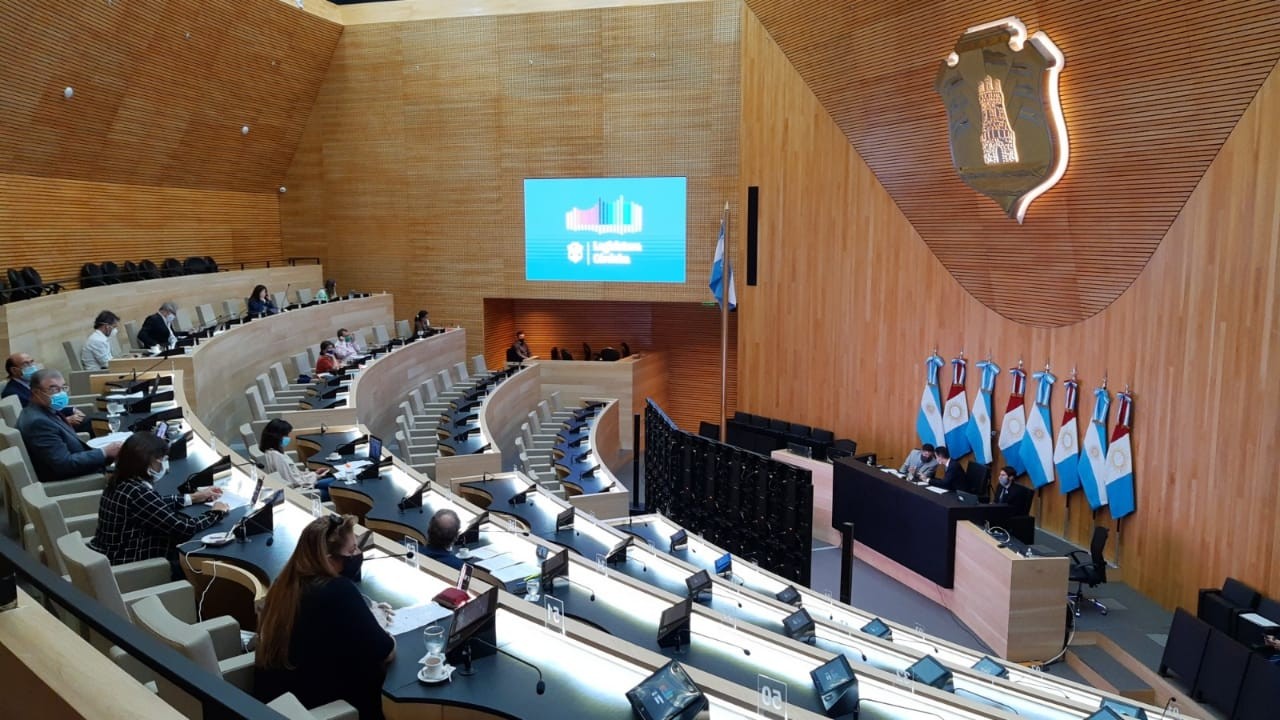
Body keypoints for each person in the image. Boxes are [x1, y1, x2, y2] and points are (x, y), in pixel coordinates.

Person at [255, 514, 395, 720]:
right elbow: (386, 652)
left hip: (277, 701)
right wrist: (377, 623)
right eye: (352, 551)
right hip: (323, 707)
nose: (358, 554)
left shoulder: (283, 584)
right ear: (328, 560)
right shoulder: (338, 590)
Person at [89, 432, 228, 567]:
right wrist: (215, 513)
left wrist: (193, 498)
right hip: (129, 565)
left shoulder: (121, 481)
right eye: (163, 459)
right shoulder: (138, 492)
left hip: (109, 554)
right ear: (149, 462)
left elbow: (155, 504)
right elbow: (184, 528)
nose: (164, 464)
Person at [17, 369, 121, 482]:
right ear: (36, 392)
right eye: (54, 389)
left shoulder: (43, 410)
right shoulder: (38, 423)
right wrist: (104, 452)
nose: (61, 393)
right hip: (77, 480)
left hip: (82, 464)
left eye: (63, 388)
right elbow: (64, 465)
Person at [259, 419, 331, 500]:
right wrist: (315, 476)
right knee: (332, 485)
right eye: (286, 435)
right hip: (299, 492)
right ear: (277, 437)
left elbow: (294, 474)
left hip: (301, 485)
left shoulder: (272, 452)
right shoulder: (276, 456)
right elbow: (292, 481)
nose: (288, 438)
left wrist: (314, 474)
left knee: (330, 482)